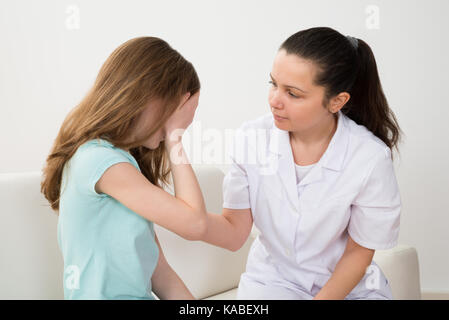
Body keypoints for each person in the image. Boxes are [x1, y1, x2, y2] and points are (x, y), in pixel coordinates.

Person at [200, 27, 402, 300]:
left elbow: (359, 252)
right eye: (273, 84)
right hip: (272, 284)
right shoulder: (251, 138)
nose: (274, 101)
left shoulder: (369, 157)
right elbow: (235, 231)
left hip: (350, 290)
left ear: (336, 101)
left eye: (293, 93)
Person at [41, 37, 207, 300]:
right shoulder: (98, 161)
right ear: (150, 96)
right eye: (182, 110)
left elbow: (161, 275)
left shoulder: (124, 166)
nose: (186, 121)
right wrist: (175, 136)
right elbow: (195, 224)